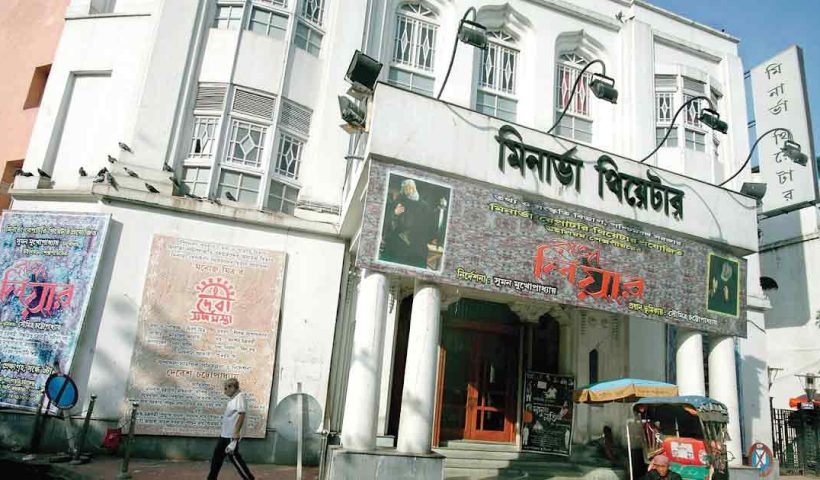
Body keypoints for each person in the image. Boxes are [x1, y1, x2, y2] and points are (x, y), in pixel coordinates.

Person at [380, 178, 438, 269]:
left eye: (411, 188)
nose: (409, 190)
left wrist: (432, 237)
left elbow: (430, 226)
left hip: (417, 249)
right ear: (403, 190)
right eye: (406, 188)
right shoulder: (397, 203)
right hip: (397, 248)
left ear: (415, 189)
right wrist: (394, 214)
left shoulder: (424, 206)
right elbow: (386, 224)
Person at [208, 378, 255, 480]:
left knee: (235, 459)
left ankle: (249, 478)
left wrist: (236, 433)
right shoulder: (233, 399)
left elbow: (241, 414)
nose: (224, 391)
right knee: (216, 459)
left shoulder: (240, 397)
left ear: (232, 387)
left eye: (226, 388)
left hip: (231, 436)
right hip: (224, 435)